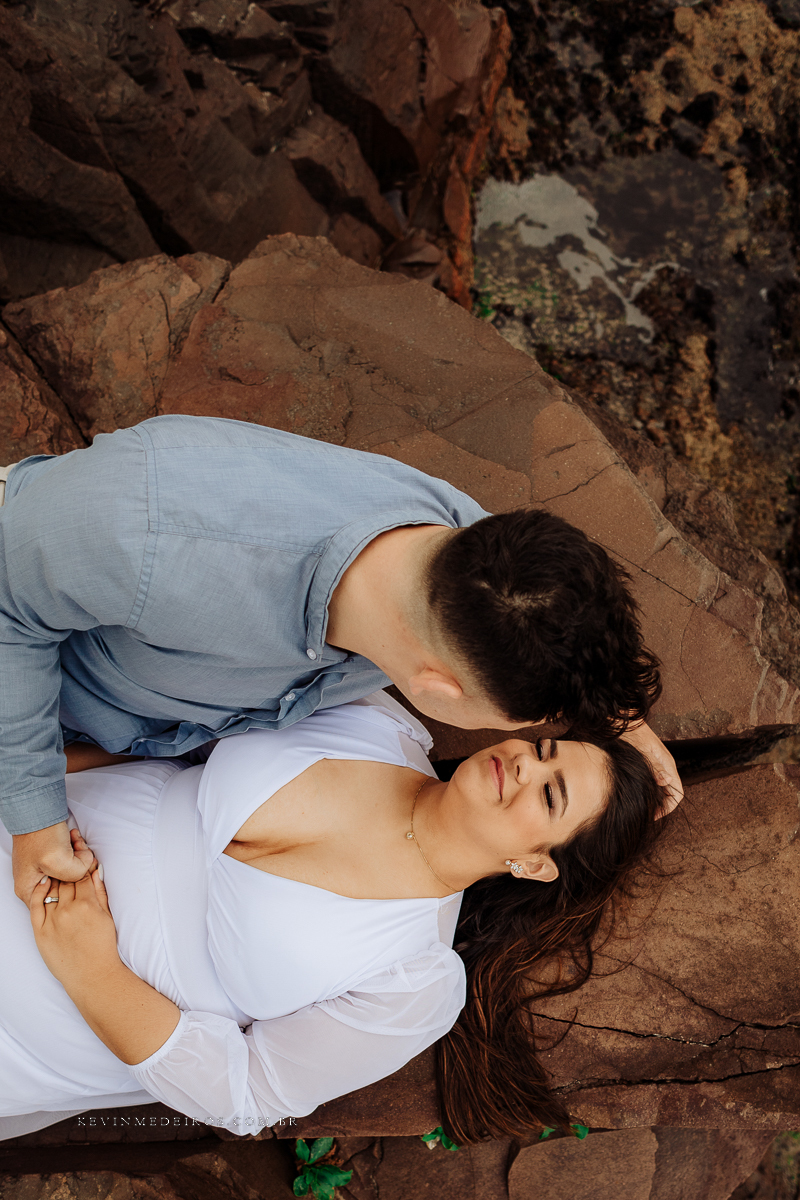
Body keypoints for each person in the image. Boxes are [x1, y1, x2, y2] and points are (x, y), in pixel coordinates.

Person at [0, 415, 679, 900]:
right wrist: (33, 818)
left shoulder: (472, 557)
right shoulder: (148, 533)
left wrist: (612, 711)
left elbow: (543, 607)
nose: (529, 743)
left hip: (99, 731)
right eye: (533, 727)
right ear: (434, 689)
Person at [0, 692, 665, 1143]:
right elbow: (173, 733)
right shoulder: (376, 721)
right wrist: (29, 786)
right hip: (19, 831)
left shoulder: (417, 982)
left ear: (534, 865)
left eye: (548, 794)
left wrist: (90, 970)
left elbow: (246, 1092)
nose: (522, 761)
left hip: (27, 1033)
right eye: (543, 748)